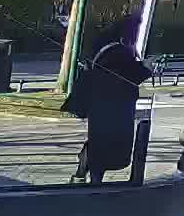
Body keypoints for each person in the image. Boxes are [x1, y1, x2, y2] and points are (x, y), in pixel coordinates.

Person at [64, 16, 149, 183]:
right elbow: (128, 76)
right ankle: (90, 169)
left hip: (99, 106)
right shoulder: (120, 52)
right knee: (111, 145)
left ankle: (89, 166)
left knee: (99, 141)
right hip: (118, 108)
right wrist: (146, 68)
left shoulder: (103, 46)